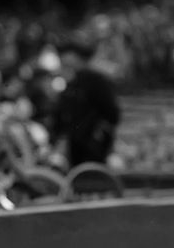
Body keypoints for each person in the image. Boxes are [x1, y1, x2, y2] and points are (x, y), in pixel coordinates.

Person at [51, 40, 122, 168]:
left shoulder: (97, 81)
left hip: (93, 143)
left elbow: (112, 114)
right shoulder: (70, 79)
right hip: (73, 145)